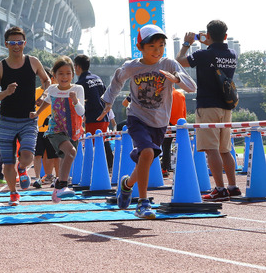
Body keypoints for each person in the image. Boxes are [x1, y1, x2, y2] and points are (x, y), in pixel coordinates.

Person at [99, 24, 196, 219]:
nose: (157, 51)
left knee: (146, 160)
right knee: (148, 153)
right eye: (151, 46)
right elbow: (117, 80)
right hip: (137, 117)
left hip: (159, 122)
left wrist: (176, 79)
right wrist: (108, 102)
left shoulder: (169, 64)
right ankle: (142, 203)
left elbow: (192, 86)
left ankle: (127, 184)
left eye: (161, 46)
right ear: (140, 47)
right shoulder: (132, 66)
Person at [176, 20, 240, 201]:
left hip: (207, 106)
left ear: (208, 35)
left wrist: (187, 44)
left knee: (211, 149)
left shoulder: (203, 54)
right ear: (226, 36)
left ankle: (219, 189)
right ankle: (233, 187)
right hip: (226, 106)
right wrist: (211, 42)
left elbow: (179, 62)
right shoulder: (232, 54)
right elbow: (217, 50)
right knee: (225, 149)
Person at [0, 26, 51, 206]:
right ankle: (13, 193)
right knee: (7, 162)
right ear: (6, 44)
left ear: (24, 43)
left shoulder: (33, 62)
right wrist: (6, 92)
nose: (16, 46)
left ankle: (22, 168)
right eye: (12, 43)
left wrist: (43, 96)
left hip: (28, 119)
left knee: (27, 156)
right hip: (7, 120)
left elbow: (47, 80)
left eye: (19, 42)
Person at [33, 56, 84, 202]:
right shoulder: (52, 89)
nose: (64, 76)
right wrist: (36, 113)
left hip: (73, 130)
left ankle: (57, 188)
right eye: (60, 73)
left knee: (65, 158)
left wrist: (75, 101)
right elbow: (47, 101)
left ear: (73, 75)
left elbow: (81, 112)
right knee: (71, 152)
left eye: (68, 73)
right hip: (55, 130)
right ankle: (62, 185)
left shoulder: (78, 89)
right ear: (54, 76)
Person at [74, 54, 114, 168]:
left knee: (92, 144)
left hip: (93, 118)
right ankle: (109, 165)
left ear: (78, 67)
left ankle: (96, 168)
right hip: (104, 116)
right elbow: (107, 95)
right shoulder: (98, 78)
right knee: (103, 141)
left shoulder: (80, 84)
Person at [32, 68, 58, 188]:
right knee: (37, 155)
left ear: (51, 78)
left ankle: (56, 178)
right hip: (37, 129)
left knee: (55, 155)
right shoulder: (35, 92)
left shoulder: (56, 91)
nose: (45, 80)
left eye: (47, 77)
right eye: (43, 78)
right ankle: (37, 178)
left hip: (52, 128)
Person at [161, 87, 186, 177]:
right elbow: (184, 110)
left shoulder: (166, 95)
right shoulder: (181, 95)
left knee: (166, 147)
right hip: (180, 123)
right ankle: (183, 167)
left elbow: (165, 110)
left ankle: (165, 168)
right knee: (182, 146)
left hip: (169, 123)